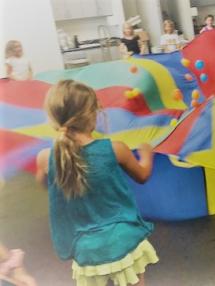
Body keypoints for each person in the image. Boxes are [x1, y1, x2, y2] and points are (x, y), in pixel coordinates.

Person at [36, 80, 159, 286]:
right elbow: (142, 176)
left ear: (53, 118)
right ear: (93, 114)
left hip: (86, 248)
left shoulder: (45, 159)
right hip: (122, 239)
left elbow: (46, 185)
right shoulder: (115, 149)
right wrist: (147, 153)